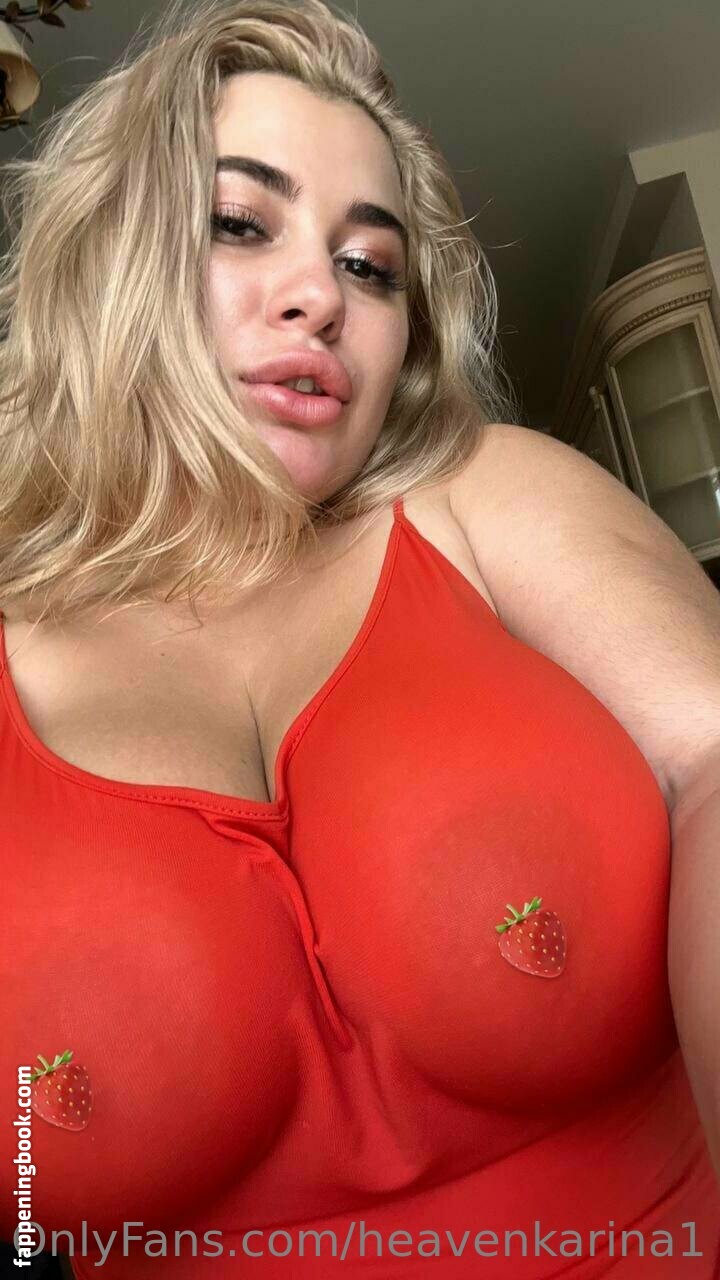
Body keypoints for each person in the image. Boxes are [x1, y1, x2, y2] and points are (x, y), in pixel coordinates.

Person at [0, 0, 719, 1276]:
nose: (319, 297)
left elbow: (712, 762)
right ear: (111, 258)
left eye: (371, 266)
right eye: (239, 223)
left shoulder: (484, 494)